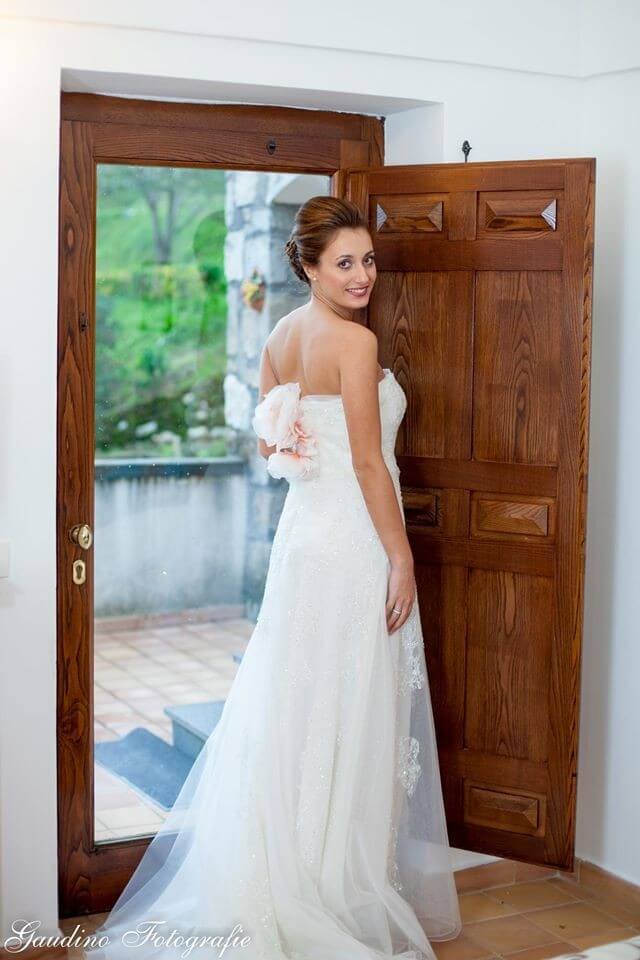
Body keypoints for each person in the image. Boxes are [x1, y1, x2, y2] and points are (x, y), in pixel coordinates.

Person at [85, 196, 462, 960]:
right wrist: (401, 557)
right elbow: (368, 464)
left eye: (368, 260)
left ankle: (297, 873)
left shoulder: (280, 337)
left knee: (299, 707)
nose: (362, 275)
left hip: (302, 544)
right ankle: (330, 886)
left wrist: (308, 454)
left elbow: (271, 447)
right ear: (310, 267)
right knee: (347, 707)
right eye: (345, 262)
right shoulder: (354, 343)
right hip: (353, 543)